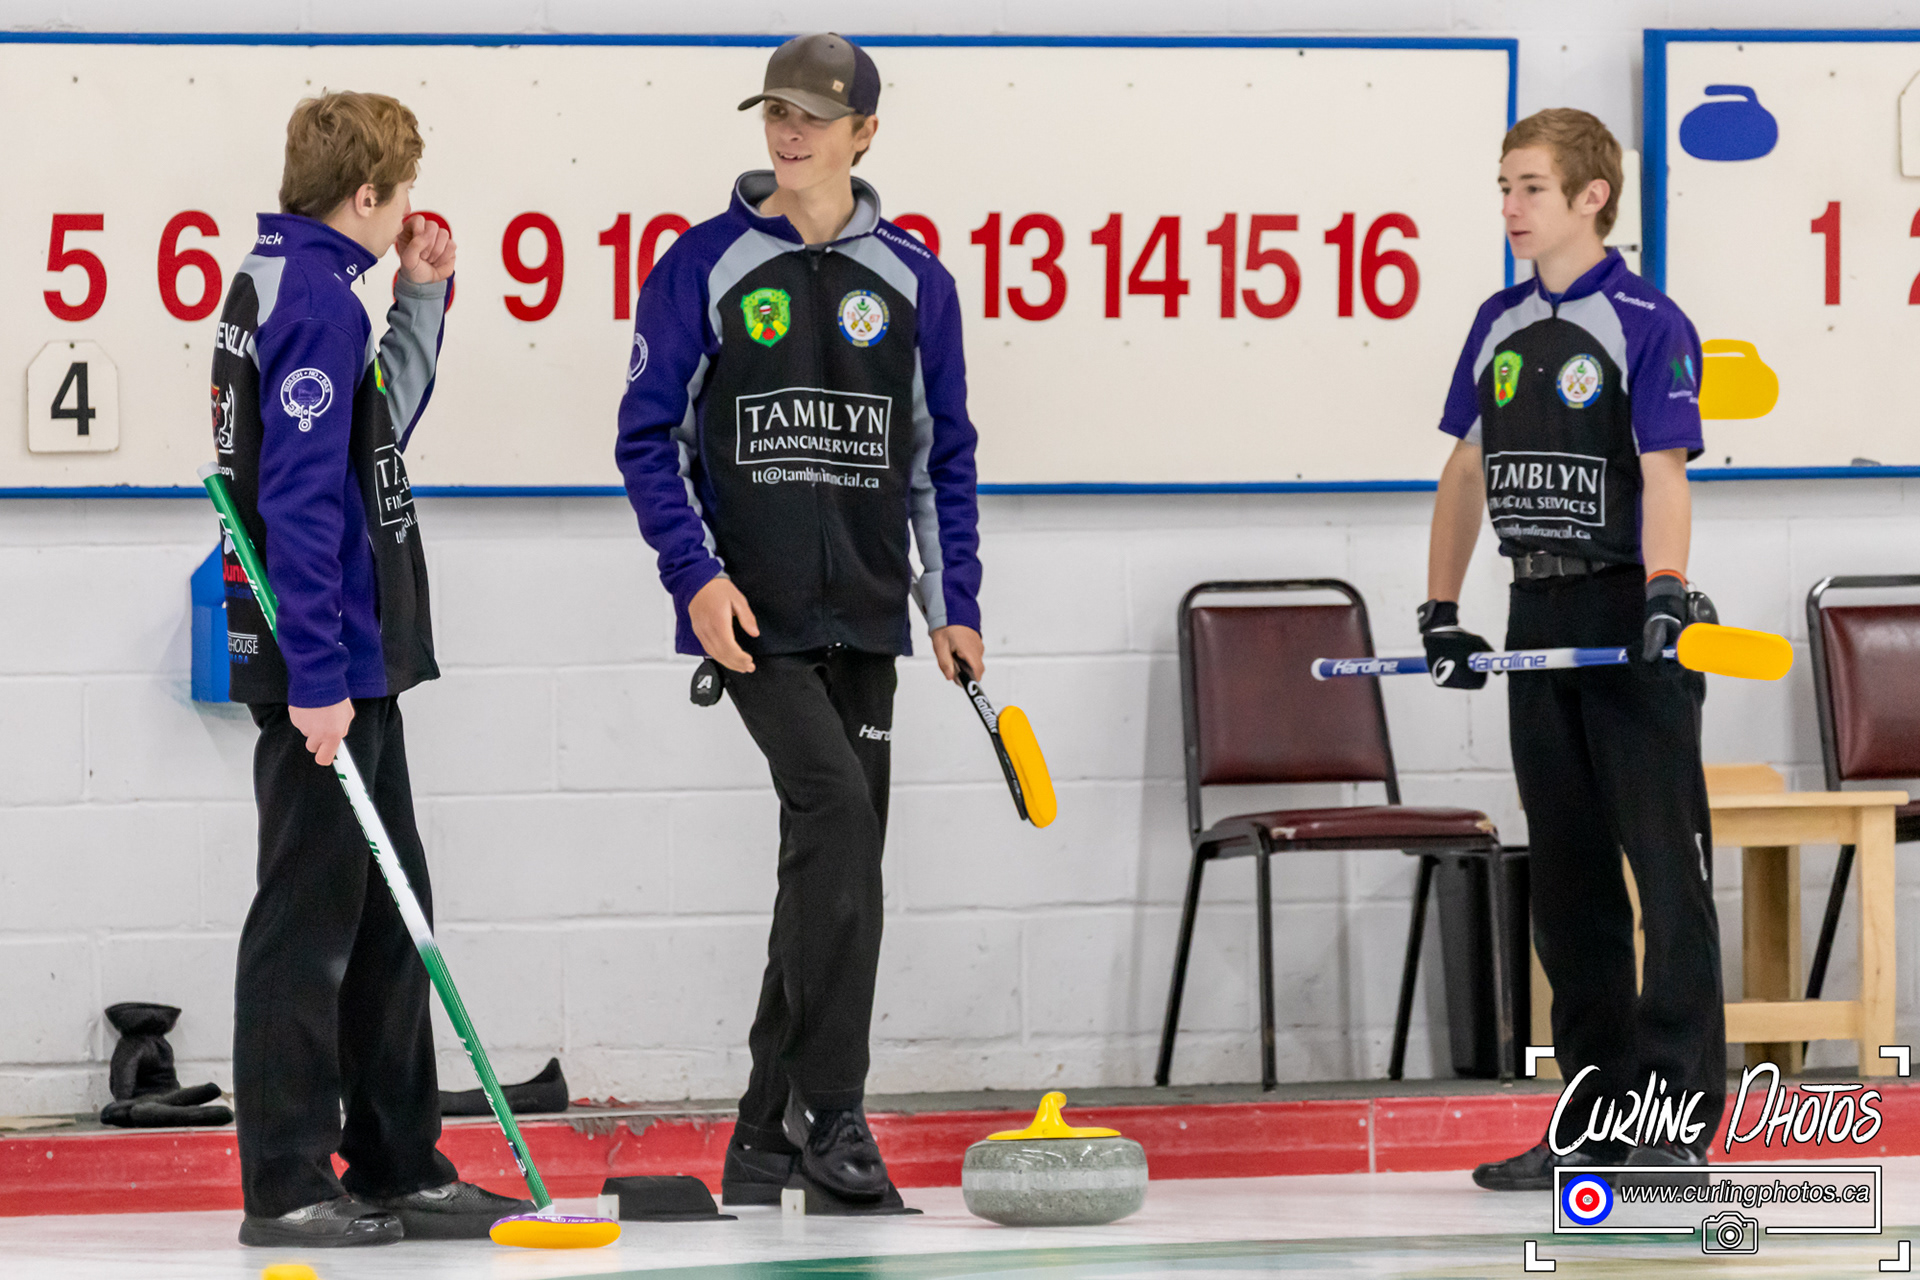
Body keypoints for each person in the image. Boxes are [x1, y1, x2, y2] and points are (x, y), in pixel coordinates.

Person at [614, 33, 984, 1207]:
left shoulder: (917, 282)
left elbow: (940, 458)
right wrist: (694, 575)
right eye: (777, 111)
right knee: (838, 820)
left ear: (864, 133)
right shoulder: (702, 264)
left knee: (829, 862)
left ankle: (762, 1136)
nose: (790, 132)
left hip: (868, 615)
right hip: (751, 617)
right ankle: (836, 1116)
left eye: (815, 116)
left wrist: (952, 602)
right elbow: (647, 440)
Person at [211, 90, 532, 1245]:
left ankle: (398, 1159)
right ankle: (288, 1181)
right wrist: (316, 675)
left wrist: (422, 298)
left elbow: (371, 431)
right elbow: (300, 504)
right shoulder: (308, 300)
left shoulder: (303, 286)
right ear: (366, 195)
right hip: (328, 668)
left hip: (356, 663)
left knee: (394, 917)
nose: (406, 214)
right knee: (306, 926)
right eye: (400, 197)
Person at [1419, 108, 1725, 1191]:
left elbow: (1666, 474)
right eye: (1504, 186)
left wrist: (1665, 591)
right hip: (1534, 616)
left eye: (1532, 187)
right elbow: (1465, 470)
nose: (1510, 206)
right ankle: (1592, 1119)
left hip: (1627, 618)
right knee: (1569, 884)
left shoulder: (1648, 319)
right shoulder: (1497, 320)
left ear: (1593, 196)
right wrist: (1440, 609)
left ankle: (1675, 1122)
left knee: (1666, 879)